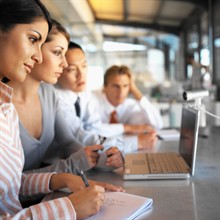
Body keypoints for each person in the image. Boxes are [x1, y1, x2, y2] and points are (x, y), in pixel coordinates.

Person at [0, 1, 123, 219]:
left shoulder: (6, 108)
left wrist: (64, 177)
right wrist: (68, 206)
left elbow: (11, 186)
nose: (37, 56)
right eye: (33, 40)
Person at [7, 19, 124, 173]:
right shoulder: (5, 105)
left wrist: (103, 158)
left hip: (45, 191)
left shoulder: (49, 93)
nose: (64, 64)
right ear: (35, 50)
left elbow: (68, 142)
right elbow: (12, 182)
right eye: (57, 53)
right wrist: (71, 166)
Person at [55, 42, 159, 152]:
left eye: (84, 66)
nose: (81, 74)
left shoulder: (82, 93)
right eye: (71, 69)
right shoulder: (56, 98)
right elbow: (80, 136)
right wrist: (134, 143)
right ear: (58, 70)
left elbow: (95, 128)